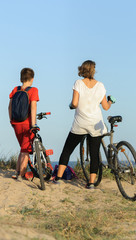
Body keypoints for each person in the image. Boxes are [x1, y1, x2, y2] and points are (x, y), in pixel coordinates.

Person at [53, 60, 115, 189]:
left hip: (80, 123)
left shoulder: (78, 83)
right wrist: (110, 102)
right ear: (94, 70)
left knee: (67, 149)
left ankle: (57, 178)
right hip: (95, 123)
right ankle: (91, 183)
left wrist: (71, 105)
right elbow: (105, 107)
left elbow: (74, 103)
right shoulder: (101, 86)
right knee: (94, 153)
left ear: (82, 70)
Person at [8, 68, 39, 180]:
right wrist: (33, 124)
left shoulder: (15, 90)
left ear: (21, 78)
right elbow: (33, 106)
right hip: (27, 123)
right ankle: (21, 174)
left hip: (16, 123)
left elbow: (10, 106)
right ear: (32, 78)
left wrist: (11, 120)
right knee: (25, 150)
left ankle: (16, 171)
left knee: (23, 148)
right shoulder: (33, 90)